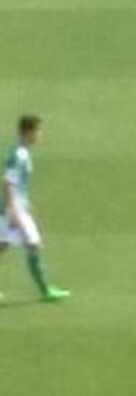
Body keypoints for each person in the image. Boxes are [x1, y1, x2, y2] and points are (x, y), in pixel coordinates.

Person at [0, 116, 70, 302]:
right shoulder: (18, 155)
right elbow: (7, 184)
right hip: (12, 210)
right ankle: (45, 291)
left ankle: (45, 290)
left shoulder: (23, 152)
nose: (40, 135)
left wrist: (26, 203)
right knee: (31, 245)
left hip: (17, 207)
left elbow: (18, 184)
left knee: (12, 246)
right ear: (28, 132)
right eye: (38, 131)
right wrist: (13, 212)